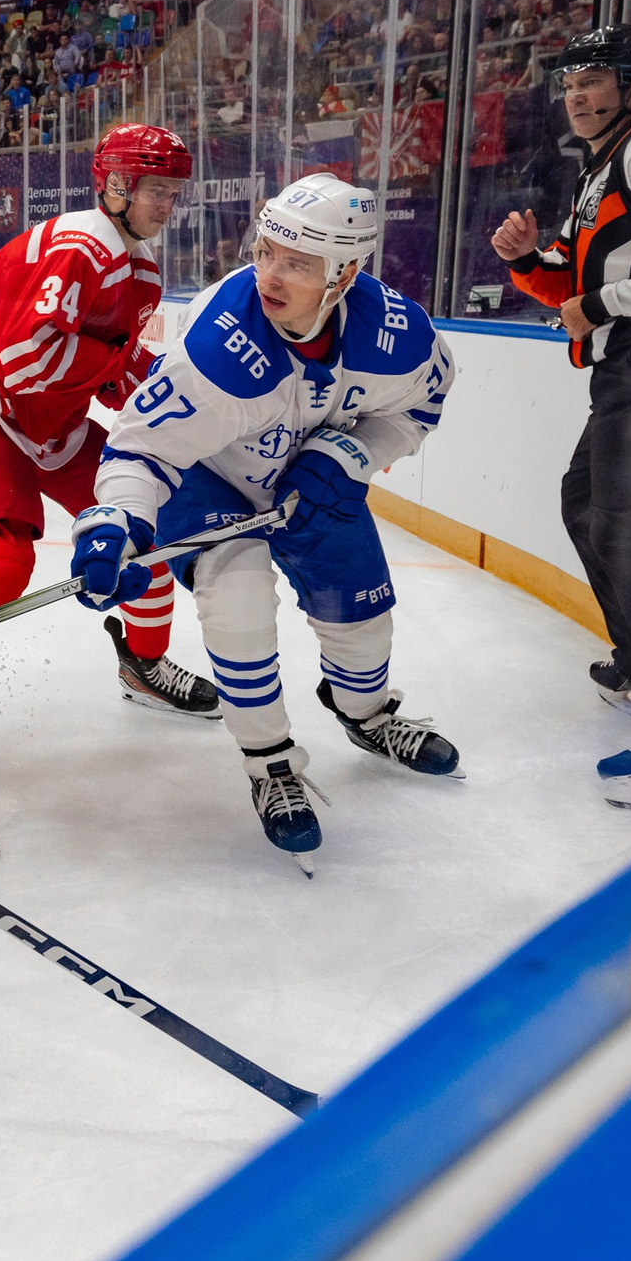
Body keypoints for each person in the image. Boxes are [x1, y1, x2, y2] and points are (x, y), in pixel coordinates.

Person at [82, 173, 459, 873]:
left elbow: (420, 406)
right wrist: (117, 523)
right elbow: (139, 447)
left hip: (313, 481)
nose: (270, 276)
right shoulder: (221, 344)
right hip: (211, 477)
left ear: (345, 274)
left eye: (297, 263)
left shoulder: (396, 334)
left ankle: (367, 714)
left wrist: (349, 453)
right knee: (239, 600)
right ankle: (270, 762)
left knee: (362, 615)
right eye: (265, 251)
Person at [0, 124, 219, 759]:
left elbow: (110, 372)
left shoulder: (139, 268)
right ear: (117, 185)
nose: (168, 204)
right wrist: (120, 365)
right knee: (0, 563)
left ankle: (143, 665)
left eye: (173, 192)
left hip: (53, 422)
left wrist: (186, 412)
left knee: (145, 529)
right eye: (156, 190)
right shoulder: (80, 248)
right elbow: (25, 362)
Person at [490, 25, 631, 807]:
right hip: (628, 371)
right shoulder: (602, 166)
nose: (577, 95)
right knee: (584, 505)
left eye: (594, 80)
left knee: (630, 530)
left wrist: (600, 303)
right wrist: (526, 259)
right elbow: (569, 284)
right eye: (571, 83)